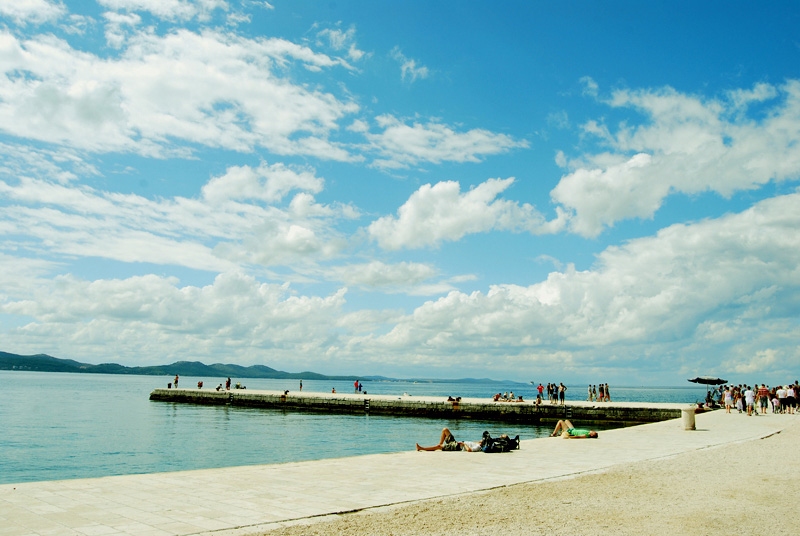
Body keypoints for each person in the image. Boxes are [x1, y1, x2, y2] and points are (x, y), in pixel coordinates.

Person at [416, 428, 483, 452]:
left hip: (457, 447)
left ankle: (421, 448)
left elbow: (469, 450)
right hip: (456, 443)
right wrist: (479, 441)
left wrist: (464, 444)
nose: (481, 440)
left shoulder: (478, 447)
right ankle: (440, 443)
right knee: (445, 430)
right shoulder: (478, 443)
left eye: (482, 440)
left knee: (439, 447)